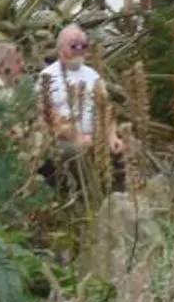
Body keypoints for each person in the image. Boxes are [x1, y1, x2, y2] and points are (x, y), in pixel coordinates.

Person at [35, 24, 124, 194]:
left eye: (83, 45)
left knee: (125, 148)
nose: (79, 49)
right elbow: (46, 115)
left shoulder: (93, 75)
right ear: (60, 47)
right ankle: (92, 199)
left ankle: (120, 199)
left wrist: (111, 135)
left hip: (95, 136)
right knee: (76, 153)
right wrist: (77, 137)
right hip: (63, 138)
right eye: (73, 45)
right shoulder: (47, 77)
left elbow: (107, 108)